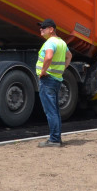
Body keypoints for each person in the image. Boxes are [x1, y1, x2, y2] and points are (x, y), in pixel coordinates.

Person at [36, 18, 71, 147]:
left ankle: (54, 139)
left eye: (44, 27)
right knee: (55, 110)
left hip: (48, 80)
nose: (41, 29)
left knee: (50, 111)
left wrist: (43, 71)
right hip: (56, 79)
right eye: (41, 27)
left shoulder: (50, 42)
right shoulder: (61, 42)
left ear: (51, 29)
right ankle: (56, 137)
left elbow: (49, 56)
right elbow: (69, 56)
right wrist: (62, 68)